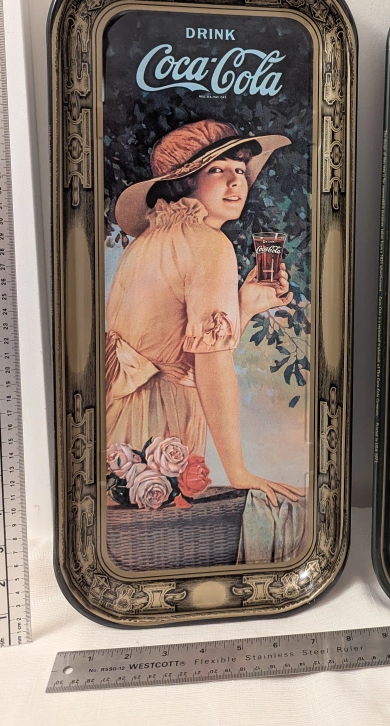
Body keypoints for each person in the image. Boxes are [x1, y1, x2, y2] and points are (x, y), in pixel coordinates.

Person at [105, 117, 303, 507]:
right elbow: (210, 364)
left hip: (119, 414)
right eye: (217, 170)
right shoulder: (209, 244)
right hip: (158, 418)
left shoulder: (149, 240)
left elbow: (179, 347)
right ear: (186, 182)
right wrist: (238, 471)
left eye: (240, 170)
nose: (236, 182)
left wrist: (244, 306)